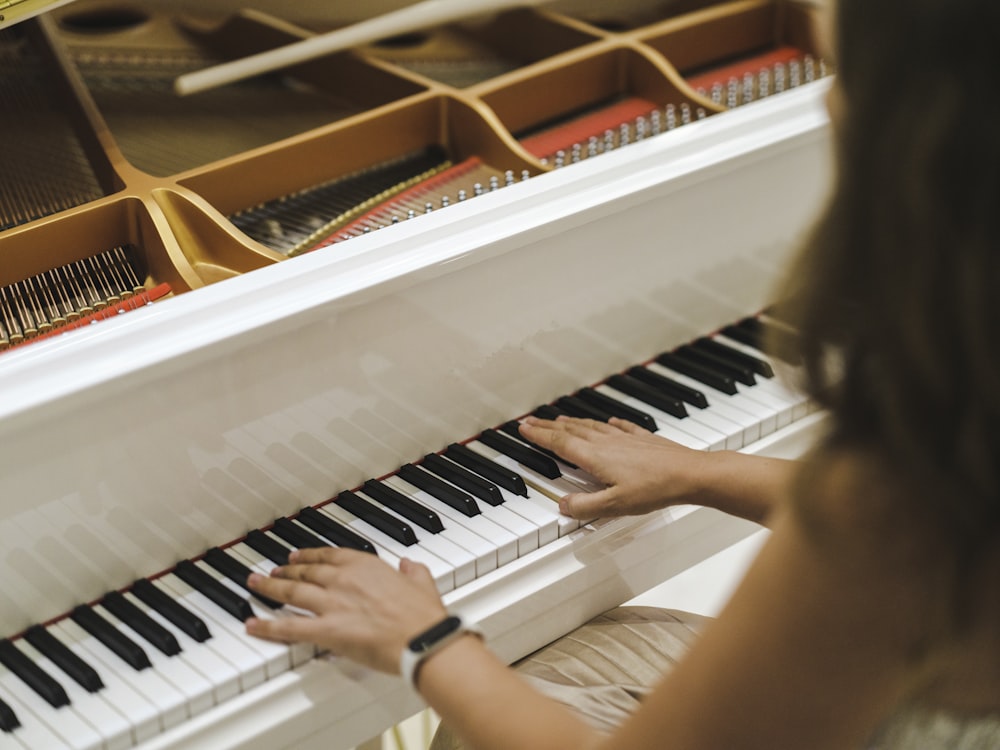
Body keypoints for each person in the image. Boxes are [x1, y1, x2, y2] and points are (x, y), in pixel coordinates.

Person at [244, 0, 1000, 746]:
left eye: (841, 75)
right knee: (568, 654)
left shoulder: (886, 517)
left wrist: (424, 642)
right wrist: (707, 469)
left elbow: (885, 534)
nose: (828, 97)